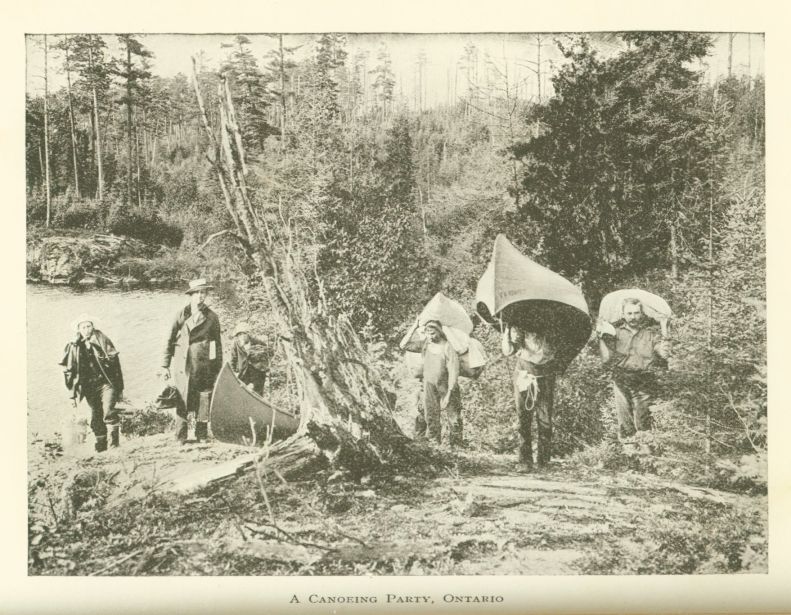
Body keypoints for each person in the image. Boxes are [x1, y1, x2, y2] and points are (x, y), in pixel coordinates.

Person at [597, 297, 671, 444]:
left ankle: (646, 460)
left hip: (644, 380)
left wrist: (664, 326)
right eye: (629, 313)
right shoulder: (614, 333)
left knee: (643, 422)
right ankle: (630, 459)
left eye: (636, 313)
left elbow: (665, 354)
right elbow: (606, 359)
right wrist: (600, 336)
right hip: (621, 379)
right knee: (625, 423)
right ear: (623, 315)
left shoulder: (650, 334)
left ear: (642, 314)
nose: (633, 317)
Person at [160, 279, 223, 443]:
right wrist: (164, 365)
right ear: (191, 295)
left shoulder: (212, 317)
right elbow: (169, 340)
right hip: (183, 365)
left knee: (204, 399)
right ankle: (181, 436)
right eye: (197, 293)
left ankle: (201, 435)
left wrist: (217, 369)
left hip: (204, 365)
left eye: (203, 293)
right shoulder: (181, 315)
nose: (201, 296)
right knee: (182, 398)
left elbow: (216, 345)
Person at [59, 315, 124, 452]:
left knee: (109, 412)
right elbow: (70, 372)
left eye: (89, 326)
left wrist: (119, 387)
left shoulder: (102, 339)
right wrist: (72, 396)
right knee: (95, 416)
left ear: (93, 327)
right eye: (83, 327)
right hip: (89, 387)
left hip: (106, 382)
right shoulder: (73, 346)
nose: (87, 329)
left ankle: (114, 447)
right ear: (78, 330)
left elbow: (115, 364)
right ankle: (101, 447)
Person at [502, 325, 557, 471]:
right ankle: (524, 460)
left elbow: (558, 351)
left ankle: (543, 461)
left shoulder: (552, 325)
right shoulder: (519, 323)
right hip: (524, 373)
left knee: (545, 420)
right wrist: (507, 332)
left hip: (546, 375)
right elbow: (508, 351)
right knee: (523, 418)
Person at [400, 319, 463, 447]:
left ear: (439, 332)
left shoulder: (447, 347)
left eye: (433, 333)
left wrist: (449, 394)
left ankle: (457, 447)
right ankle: (435, 445)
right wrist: (414, 325)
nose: (431, 336)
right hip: (429, 384)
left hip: (447, 386)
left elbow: (453, 371)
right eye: (428, 333)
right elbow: (403, 345)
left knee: (454, 418)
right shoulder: (425, 345)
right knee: (431, 416)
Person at [229, 322, 268, 395]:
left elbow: (265, 362)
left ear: (248, 334)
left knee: (257, 396)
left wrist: (255, 382)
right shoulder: (236, 344)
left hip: (257, 375)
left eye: (243, 334)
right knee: (241, 395)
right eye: (239, 335)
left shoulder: (259, 343)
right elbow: (233, 360)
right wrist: (234, 374)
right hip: (242, 374)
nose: (241, 337)